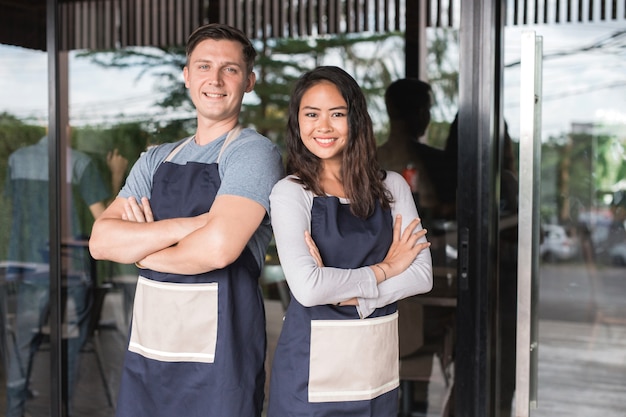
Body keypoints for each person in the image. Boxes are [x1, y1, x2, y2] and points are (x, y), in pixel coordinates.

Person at [88, 23, 284, 417]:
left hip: (221, 362)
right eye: (203, 66)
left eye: (229, 69)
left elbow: (218, 248)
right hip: (150, 349)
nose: (215, 79)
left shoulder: (254, 153)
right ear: (186, 76)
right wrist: (195, 224)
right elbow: (102, 242)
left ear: (249, 81)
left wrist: (142, 249)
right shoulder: (156, 158)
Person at [266, 66, 433, 417]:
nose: (323, 126)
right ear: (298, 123)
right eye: (311, 114)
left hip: (376, 366)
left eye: (337, 114)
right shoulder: (291, 193)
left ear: (355, 120)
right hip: (310, 371)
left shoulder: (392, 187)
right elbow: (309, 289)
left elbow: (420, 275)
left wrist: (357, 298)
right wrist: (387, 269)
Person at [3, 129, 127, 417]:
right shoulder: (79, 163)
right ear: (67, 127)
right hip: (70, 271)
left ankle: (14, 409)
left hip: (30, 266)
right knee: (72, 342)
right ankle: (63, 408)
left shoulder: (17, 160)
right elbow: (106, 220)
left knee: (22, 345)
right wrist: (116, 176)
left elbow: (12, 211)